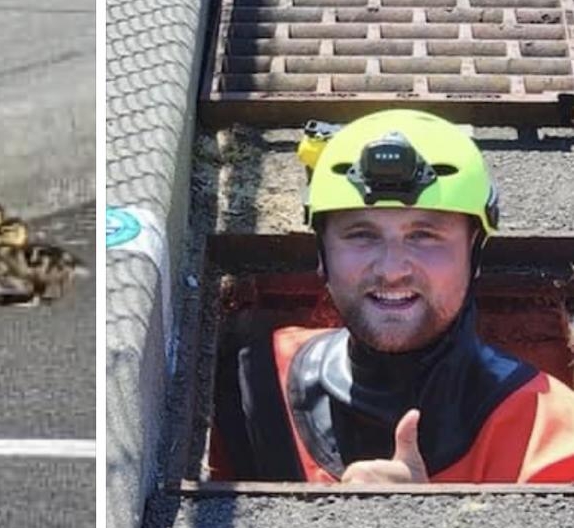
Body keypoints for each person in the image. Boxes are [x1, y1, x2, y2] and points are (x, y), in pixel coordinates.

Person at [215, 110, 574, 484]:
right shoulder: (255, 381)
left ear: (474, 253)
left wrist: (410, 522)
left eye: (424, 235)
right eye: (361, 235)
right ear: (321, 254)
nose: (391, 269)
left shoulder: (549, 431)